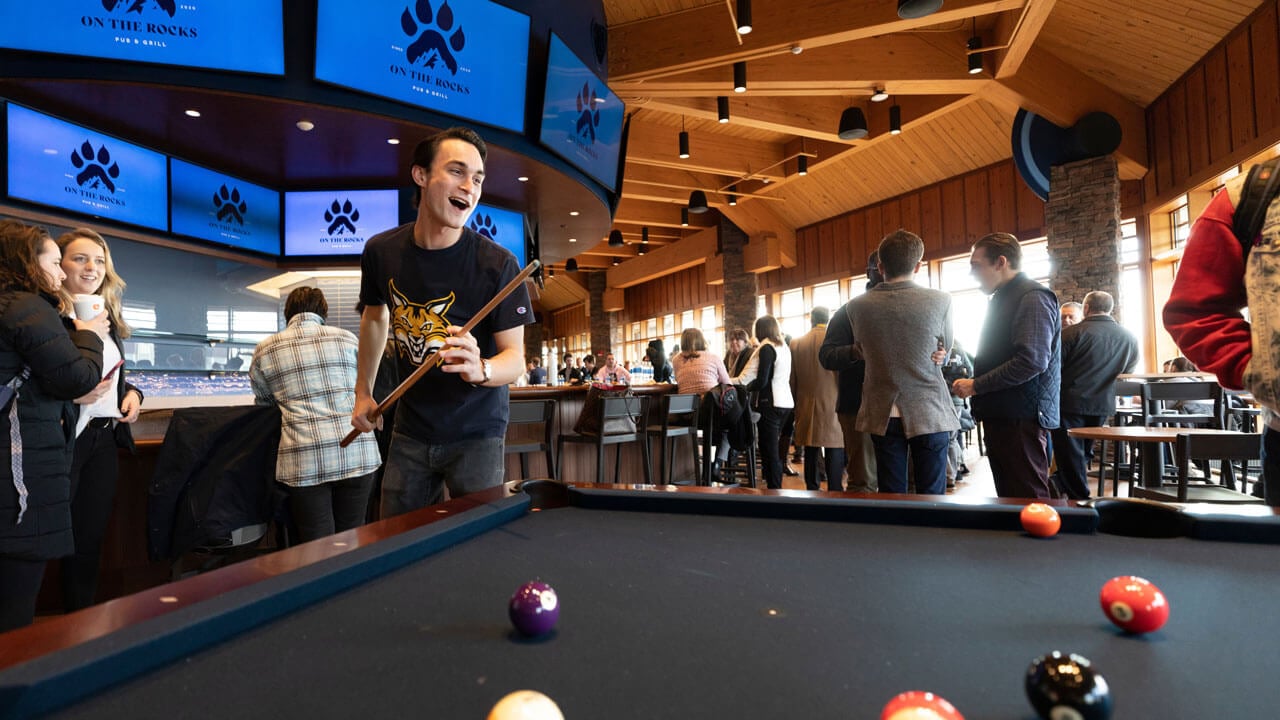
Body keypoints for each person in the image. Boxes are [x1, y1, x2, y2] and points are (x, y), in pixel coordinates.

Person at [351, 126, 533, 518]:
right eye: (457, 171)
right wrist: (363, 392)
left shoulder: (499, 265)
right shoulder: (381, 252)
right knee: (395, 539)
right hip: (410, 428)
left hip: (477, 433)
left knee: (481, 544)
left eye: (478, 178)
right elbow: (375, 316)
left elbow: (515, 359)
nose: (470, 186)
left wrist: (481, 367)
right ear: (420, 175)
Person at [0, 220, 105, 632]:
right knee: (14, 610)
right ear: (27, 262)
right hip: (19, 472)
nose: (62, 273)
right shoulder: (27, 307)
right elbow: (77, 378)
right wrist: (90, 336)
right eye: (56, 262)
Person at [55, 228, 145, 611]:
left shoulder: (107, 315)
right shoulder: (49, 317)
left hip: (104, 440)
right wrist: (71, 395)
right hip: (64, 443)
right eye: (80, 258)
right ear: (59, 265)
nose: (91, 267)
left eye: (99, 259)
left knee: (90, 539)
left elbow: (117, 374)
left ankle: (80, 624)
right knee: (51, 538)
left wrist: (133, 394)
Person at [252, 287, 381, 543]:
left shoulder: (265, 349)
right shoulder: (347, 339)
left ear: (287, 313)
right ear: (324, 312)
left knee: (317, 544)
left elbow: (265, 407)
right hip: (357, 451)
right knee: (352, 536)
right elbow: (366, 390)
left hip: (304, 459)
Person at [951, 232, 1061, 499]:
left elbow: (1031, 361)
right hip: (1007, 414)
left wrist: (977, 385)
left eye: (976, 265)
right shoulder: (1006, 296)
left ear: (1001, 262)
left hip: (1020, 418)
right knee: (1013, 498)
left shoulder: (1032, 297)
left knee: (1029, 499)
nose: (971, 273)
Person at [848, 231, 958, 495]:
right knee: (932, 495)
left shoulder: (856, 307)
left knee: (891, 494)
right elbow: (946, 347)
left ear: (880, 266)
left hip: (882, 411)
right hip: (928, 408)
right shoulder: (941, 300)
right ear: (918, 266)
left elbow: (862, 348)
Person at [1049, 291, 1139, 500]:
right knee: (1084, 452)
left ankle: (1078, 497)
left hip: (1069, 401)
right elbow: (1126, 373)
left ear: (1086, 308)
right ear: (1110, 308)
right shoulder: (1129, 338)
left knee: (1070, 454)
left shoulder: (1070, 334)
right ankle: (1065, 486)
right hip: (1103, 402)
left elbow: (1054, 370)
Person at [820, 251, 882, 493]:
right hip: (858, 405)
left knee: (903, 482)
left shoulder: (912, 308)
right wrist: (854, 352)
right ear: (870, 272)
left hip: (904, 407)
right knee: (864, 481)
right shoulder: (849, 311)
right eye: (881, 268)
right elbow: (826, 355)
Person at [732, 315, 793, 489]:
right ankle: (774, 486)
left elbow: (762, 380)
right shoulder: (784, 346)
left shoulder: (766, 347)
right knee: (771, 447)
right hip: (786, 403)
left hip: (770, 402)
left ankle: (775, 489)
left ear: (760, 330)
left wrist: (747, 388)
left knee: (769, 449)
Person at [790, 307, 844, 491]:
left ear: (811, 319)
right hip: (833, 401)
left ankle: (812, 487)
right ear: (828, 319)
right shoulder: (835, 342)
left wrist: (796, 402)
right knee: (835, 447)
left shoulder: (797, 343)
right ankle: (835, 488)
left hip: (806, 403)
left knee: (810, 448)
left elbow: (792, 379)